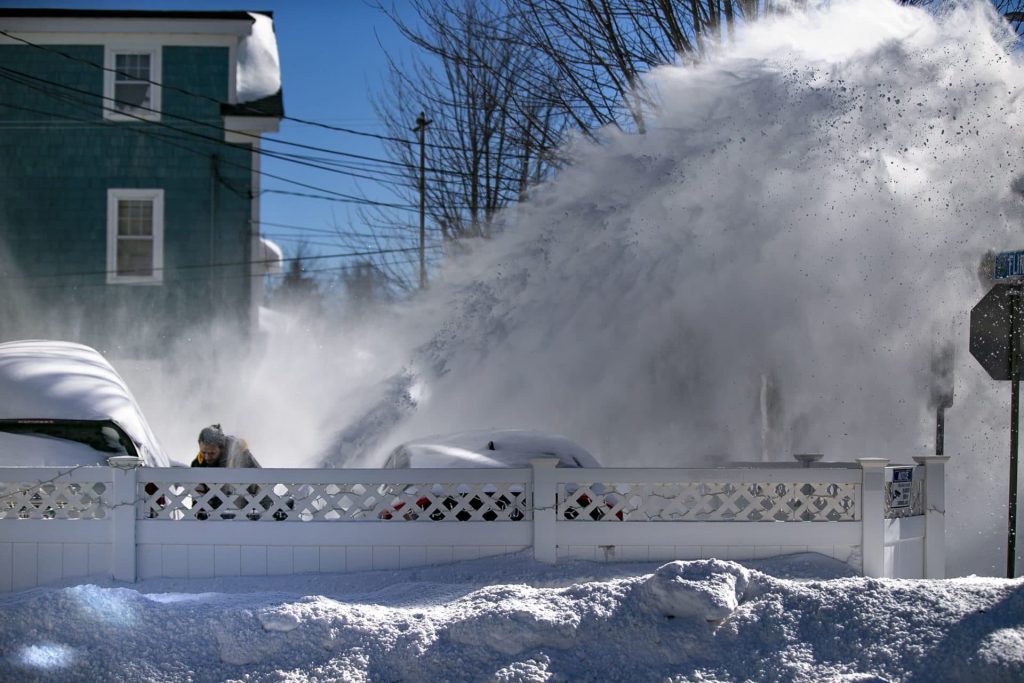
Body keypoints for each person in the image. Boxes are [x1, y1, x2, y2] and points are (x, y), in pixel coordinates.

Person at [189, 424, 283, 519]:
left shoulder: (239, 454)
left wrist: (267, 510)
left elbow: (261, 481)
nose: (207, 457)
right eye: (203, 452)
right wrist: (199, 511)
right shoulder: (198, 463)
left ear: (221, 448)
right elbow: (198, 491)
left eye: (212, 453)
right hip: (216, 513)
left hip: (246, 507)